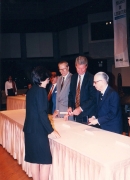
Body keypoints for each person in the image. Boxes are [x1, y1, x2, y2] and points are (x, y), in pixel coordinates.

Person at [23, 66, 60, 180]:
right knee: (45, 162)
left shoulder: (31, 91)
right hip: (37, 132)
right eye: (47, 77)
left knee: (34, 161)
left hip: (29, 130)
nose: (49, 79)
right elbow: (42, 113)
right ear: (42, 78)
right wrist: (51, 130)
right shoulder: (41, 91)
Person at [67, 56, 97, 123]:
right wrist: (70, 106)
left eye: (83, 68)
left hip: (88, 114)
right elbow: (71, 94)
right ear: (75, 66)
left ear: (86, 66)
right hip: (77, 114)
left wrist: (81, 108)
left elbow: (93, 97)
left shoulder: (91, 78)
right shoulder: (73, 77)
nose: (80, 70)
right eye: (78, 68)